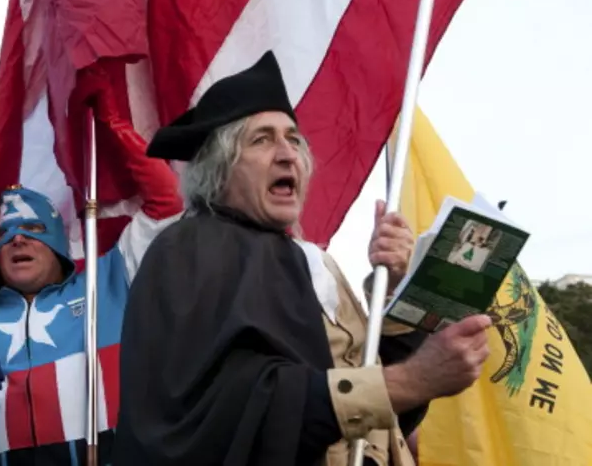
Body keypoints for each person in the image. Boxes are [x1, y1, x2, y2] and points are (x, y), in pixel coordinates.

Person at [111, 51, 492, 466]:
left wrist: (396, 291)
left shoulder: (316, 262)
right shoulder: (189, 250)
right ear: (218, 169)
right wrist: (410, 381)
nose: (287, 153)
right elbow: (227, 414)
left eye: (293, 138)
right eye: (261, 139)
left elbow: (381, 404)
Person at [0, 82, 183, 465]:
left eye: (33, 232)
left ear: (59, 247)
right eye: (6, 235)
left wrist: (112, 121)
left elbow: (166, 203)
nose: (17, 242)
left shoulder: (109, 281)